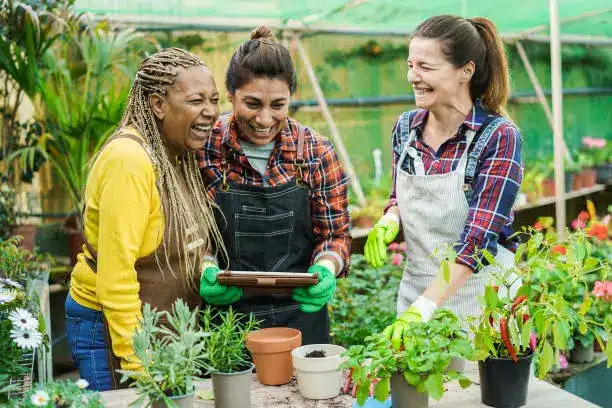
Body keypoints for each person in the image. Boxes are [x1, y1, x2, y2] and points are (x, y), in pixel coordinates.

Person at [65, 48, 225, 390]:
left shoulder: (176, 152)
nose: (210, 112)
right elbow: (116, 275)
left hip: (160, 327)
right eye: (196, 100)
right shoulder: (130, 161)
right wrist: (139, 364)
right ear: (158, 105)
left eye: (214, 99)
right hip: (111, 329)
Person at [364, 15, 523, 349]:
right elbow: (398, 195)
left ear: (465, 70)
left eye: (426, 66)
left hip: (481, 299)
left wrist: (423, 309)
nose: (413, 77)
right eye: (410, 65)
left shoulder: (498, 137)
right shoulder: (405, 128)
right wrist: (389, 218)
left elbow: (478, 241)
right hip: (417, 290)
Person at [198, 26, 351, 345]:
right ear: (230, 95)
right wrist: (204, 266)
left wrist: (327, 266)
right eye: (252, 104)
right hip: (227, 317)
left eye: (278, 105)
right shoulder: (205, 148)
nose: (265, 119)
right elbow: (190, 232)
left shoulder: (315, 152)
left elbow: (335, 234)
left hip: (301, 315)